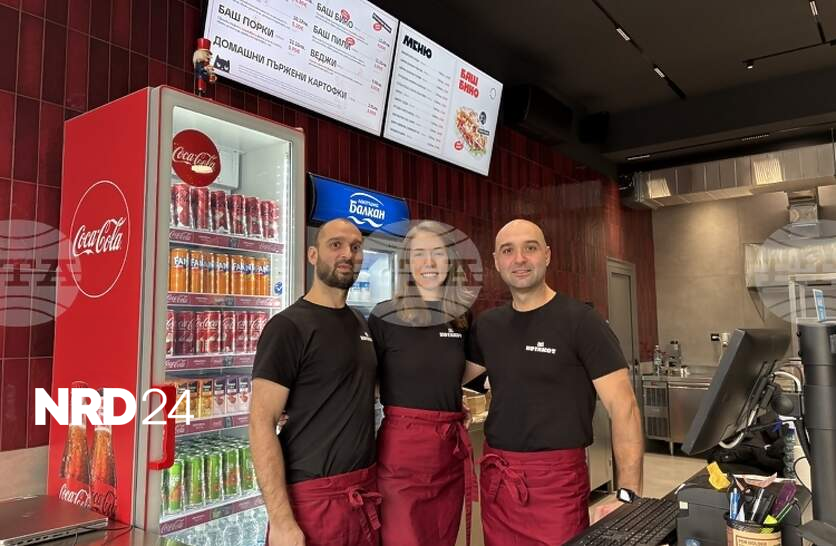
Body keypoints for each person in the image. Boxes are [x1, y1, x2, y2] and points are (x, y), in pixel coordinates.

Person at [468, 219, 644, 546]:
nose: (519, 259)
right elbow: (449, 378)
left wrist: (628, 493)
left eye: (530, 248)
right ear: (496, 261)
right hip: (498, 480)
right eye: (508, 250)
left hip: (557, 484)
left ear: (547, 255)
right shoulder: (488, 326)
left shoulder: (582, 322)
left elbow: (625, 408)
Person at [250, 218, 381, 546]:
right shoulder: (287, 327)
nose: (347, 254)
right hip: (313, 500)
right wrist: (281, 522)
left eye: (355, 247)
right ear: (312, 255)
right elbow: (260, 423)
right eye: (336, 245)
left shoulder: (360, 322)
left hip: (362, 493)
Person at [368, 220, 485, 546]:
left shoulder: (461, 317)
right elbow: (364, 378)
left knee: (442, 537)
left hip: (448, 453)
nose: (429, 262)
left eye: (438, 253)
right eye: (419, 254)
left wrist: (450, 399)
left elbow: (464, 374)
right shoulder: (384, 316)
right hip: (402, 454)